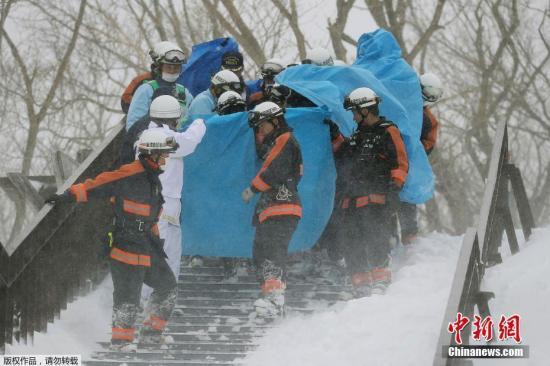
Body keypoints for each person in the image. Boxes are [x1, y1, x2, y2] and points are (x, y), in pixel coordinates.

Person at [45, 129, 179, 350]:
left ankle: (151, 334)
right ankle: (120, 343)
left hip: (147, 244)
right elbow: (96, 185)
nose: (166, 158)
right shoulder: (129, 173)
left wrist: (155, 236)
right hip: (125, 243)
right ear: (151, 153)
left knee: (168, 287)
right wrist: (65, 196)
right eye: (163, 154)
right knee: (128, 298)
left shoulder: (154, 180)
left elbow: (151, 214)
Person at [334, 87, 408, 297]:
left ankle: (381, 278)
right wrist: (334, 136)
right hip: (352, 199)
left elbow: (400, 161)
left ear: (366, 110)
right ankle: (360, 282)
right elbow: (344, 156)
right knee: (352, 240)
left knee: (376, 237)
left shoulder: (387, 131)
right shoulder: (357, 135)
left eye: (355, 111)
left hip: (376, 197)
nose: (353, 116)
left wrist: (395, 186)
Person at [133, 96, 206, 299]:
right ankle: (147, 300)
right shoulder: (158, 137)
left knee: (171, 254)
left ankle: (164, 300)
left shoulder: (149, 133)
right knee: (157, 253)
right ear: (172, 118)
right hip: (159, 202)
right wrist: (201, 121)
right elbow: (189, 142)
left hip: (169, 203)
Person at [241, 102, 303, 318]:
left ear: (275, 121)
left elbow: (273, 170)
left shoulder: (285, 140)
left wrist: (252, 188)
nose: (260, 131)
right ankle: (272, 298)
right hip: (271, 208)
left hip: (281, 207)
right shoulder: (277, 141)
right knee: (262, 253)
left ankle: (276, 300)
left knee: (273, 251)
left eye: (262, 125)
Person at [398, 72, 443, 245]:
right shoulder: (400, 107)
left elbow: (429, 144)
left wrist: (413, 151)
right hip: (391, 160)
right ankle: (391, 238)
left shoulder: (428, 119)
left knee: (407, 199)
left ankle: (410, 237)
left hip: (409, 164)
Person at [126, 41, 193, 130]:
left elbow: (193, 119)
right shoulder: (146, 90)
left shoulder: (184, 92)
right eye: (168, 67)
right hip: (152, 141)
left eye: (176, 67)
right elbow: (133, 124)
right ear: (159, 67)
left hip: (179, 142)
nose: (172, 71)